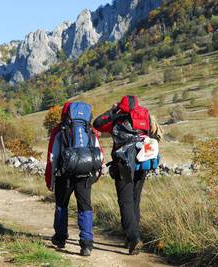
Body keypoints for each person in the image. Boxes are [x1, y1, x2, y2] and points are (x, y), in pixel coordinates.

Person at [93, 96, 162, 255]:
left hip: (123, 164)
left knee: (125, 202)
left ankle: (133, 237)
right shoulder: (145, 115)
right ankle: (131, 236)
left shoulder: (116, 117)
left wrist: (112, 110)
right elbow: (156, 134)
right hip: (142, 162)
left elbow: (97, 124)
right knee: (135, 200)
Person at [45, 102, 104, 256]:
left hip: (65, 174)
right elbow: (99, 153)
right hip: (85, 175)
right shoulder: (89, 130)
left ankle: (60, 238)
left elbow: (53, 157)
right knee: (85, 207)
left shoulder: (60, 131)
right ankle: (86, 243)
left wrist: (50, 179)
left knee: (61, 205)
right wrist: (96, 174)